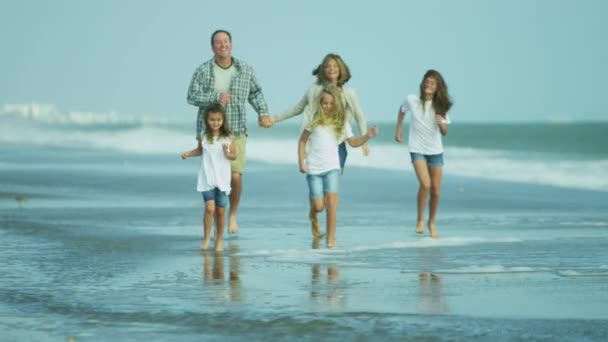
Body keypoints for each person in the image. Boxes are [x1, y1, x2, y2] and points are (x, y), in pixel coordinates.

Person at [187, 29, 270, 234]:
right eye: (217, 42)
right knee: (214, 177)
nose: (222, 45)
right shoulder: (203, 70)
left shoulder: (245, 69)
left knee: (235, 176)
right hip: (210, 132)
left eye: (225, 41)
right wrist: (215, 96)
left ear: (231, 44)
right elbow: (191, 96)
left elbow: (256, 93)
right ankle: (215, 218)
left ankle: (232, 214)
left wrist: (263, 113)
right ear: (212, 47)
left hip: (237, 130)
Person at [298, 85, 378, 248]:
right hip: (313, 168)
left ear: (336, 105)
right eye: (324, 103)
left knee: (331, 203)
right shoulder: (313, 121)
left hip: (332, 168)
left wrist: (367, 136)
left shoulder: (341, 123)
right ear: (320, 103)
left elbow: (353, 142)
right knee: (319, 206)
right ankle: (313, 214)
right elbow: (302, 141)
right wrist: (302, 162)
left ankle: (331, 239)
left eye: (331, 104)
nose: (327, 106)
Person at [264, 53, 370, 171]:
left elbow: (360, 117)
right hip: (316, 143)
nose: (332, 69)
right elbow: (298, 108)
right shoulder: (314, 89)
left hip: (337, 144)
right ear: (323, 70)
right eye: (328, 66)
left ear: (341, 69)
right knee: (318, 182)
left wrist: (364, 142)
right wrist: (276, 118)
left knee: (332, 183)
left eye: (335, 66)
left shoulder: (348, 92)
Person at [394, 70, 453, 238]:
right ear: (423, 84)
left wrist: (441, 123)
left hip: (435, 151)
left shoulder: (441, 106)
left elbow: (444, 132)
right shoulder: (412, 100)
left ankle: (431, 222)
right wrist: (398, 129)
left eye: (432, 83)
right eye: (426, 82)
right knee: (425, 185)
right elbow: (402, 109)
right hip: (416, 148)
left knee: (436, 191)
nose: (428, 85)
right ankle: (420, 219)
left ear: (437, 88)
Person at [182, 103, 236, 252]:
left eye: (219, 119)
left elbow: (234, 155)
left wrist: (227, 153)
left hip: (222, 180)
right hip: (207, 178)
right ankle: (206, 238)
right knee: (209, 208)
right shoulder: (204, 136)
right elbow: (199, 150)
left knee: (220, 211)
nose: (216, 122)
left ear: (223, 120)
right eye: (212, 119)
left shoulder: (228, 137)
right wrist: (188, 153)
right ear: (207, 120)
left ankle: (219, 239)